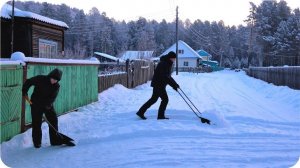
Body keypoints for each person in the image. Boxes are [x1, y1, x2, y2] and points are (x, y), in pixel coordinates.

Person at [22, 68, 63, 148]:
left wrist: (47, 106)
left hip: (47, 105)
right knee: (36, 123)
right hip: (35, 104)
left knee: (53, 119)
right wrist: (24, 90)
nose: (54, 81)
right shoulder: (40, 79)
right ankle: (37, 143)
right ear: (50, 76)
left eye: (56, 80)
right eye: (53, 79)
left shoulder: (56, 86)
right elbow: (29, 81)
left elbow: (52, 98)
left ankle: (54, 140)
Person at [136, 51, 179, 120]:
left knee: (153, 99)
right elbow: (165, 77)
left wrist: (175, 84)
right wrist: (173, 85)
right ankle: (160, 116)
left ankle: (141, 112)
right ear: (171, 58)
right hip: (159, 84)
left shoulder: (167, 63)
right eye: (174, 58)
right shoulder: (164, 64)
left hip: (159, 84)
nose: (174, 60)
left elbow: (168, 76)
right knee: (165, 99)